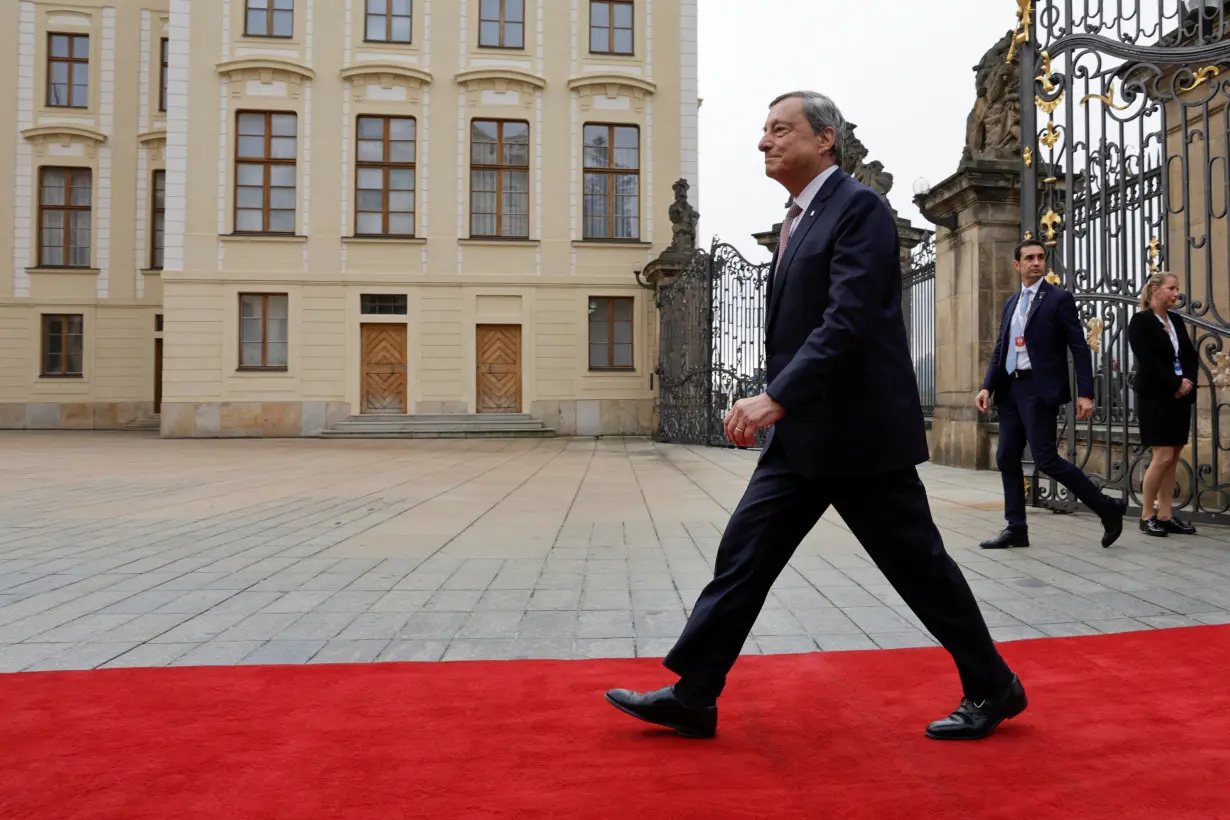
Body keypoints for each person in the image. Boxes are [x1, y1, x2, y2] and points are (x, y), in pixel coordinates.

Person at [604, 91, 1026, 742]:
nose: (764, 141)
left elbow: (850, 320)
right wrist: (786, 403)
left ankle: (994, 685)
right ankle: (694, 695)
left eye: (780, 129)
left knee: (919, 566)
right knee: (743, 556)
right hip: (804, 440)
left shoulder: (860, 209)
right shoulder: (798, 218)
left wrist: (778, 395)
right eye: (762, 130)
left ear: (824, 139)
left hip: (859, 438)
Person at [975, 240, 1128, 549]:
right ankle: (1016, 527)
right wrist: (987, 386)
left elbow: (1079, 347)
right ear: (1016, 264)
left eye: (1040, 257)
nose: (1036, 262)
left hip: (1037, 389)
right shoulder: (1011, 302)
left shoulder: (1058, 298)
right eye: (1029, 258)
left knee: (1045, 458)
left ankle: (1106, 508)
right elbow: (1001, 349)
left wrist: (1086, 393)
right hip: (1009, 389)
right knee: (1006, 457)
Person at [1127, 271, 1198, 536]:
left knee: (1174, 455)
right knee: (1162, 455)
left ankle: (1166, 514)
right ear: (1155, 290)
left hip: (1180, 396)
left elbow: (1188, 355)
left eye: (1176, 288)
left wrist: (1187, 380)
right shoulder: (1141, 322)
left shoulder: (1176, 320)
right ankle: (1147, 515)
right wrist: (1175, 383)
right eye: (1171, 288)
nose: (1175, 293)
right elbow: (1149, 361)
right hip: (1156, 396)